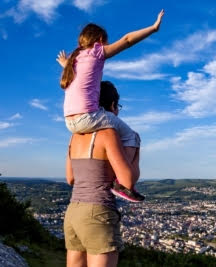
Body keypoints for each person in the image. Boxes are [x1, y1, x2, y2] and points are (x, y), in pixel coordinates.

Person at [56, 10, 164, 201]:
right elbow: (128, 39)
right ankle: (122, 182)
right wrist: (153, 28)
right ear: (99, 40)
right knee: (132, 135)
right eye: (106, 42)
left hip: (69, 121)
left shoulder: (74, 61)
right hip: (88, 116)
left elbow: (77, 77)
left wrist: (65, 63)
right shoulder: (96, 52)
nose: (107, 46)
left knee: (113, 130)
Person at [64, 82, 138, 267]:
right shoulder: (108, 134)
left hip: (73, 211)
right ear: (112, 105)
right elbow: (127, 181)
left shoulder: (75, 136)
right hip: (98, 211)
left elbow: (70, 178)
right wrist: (136, 148)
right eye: (117, 107)